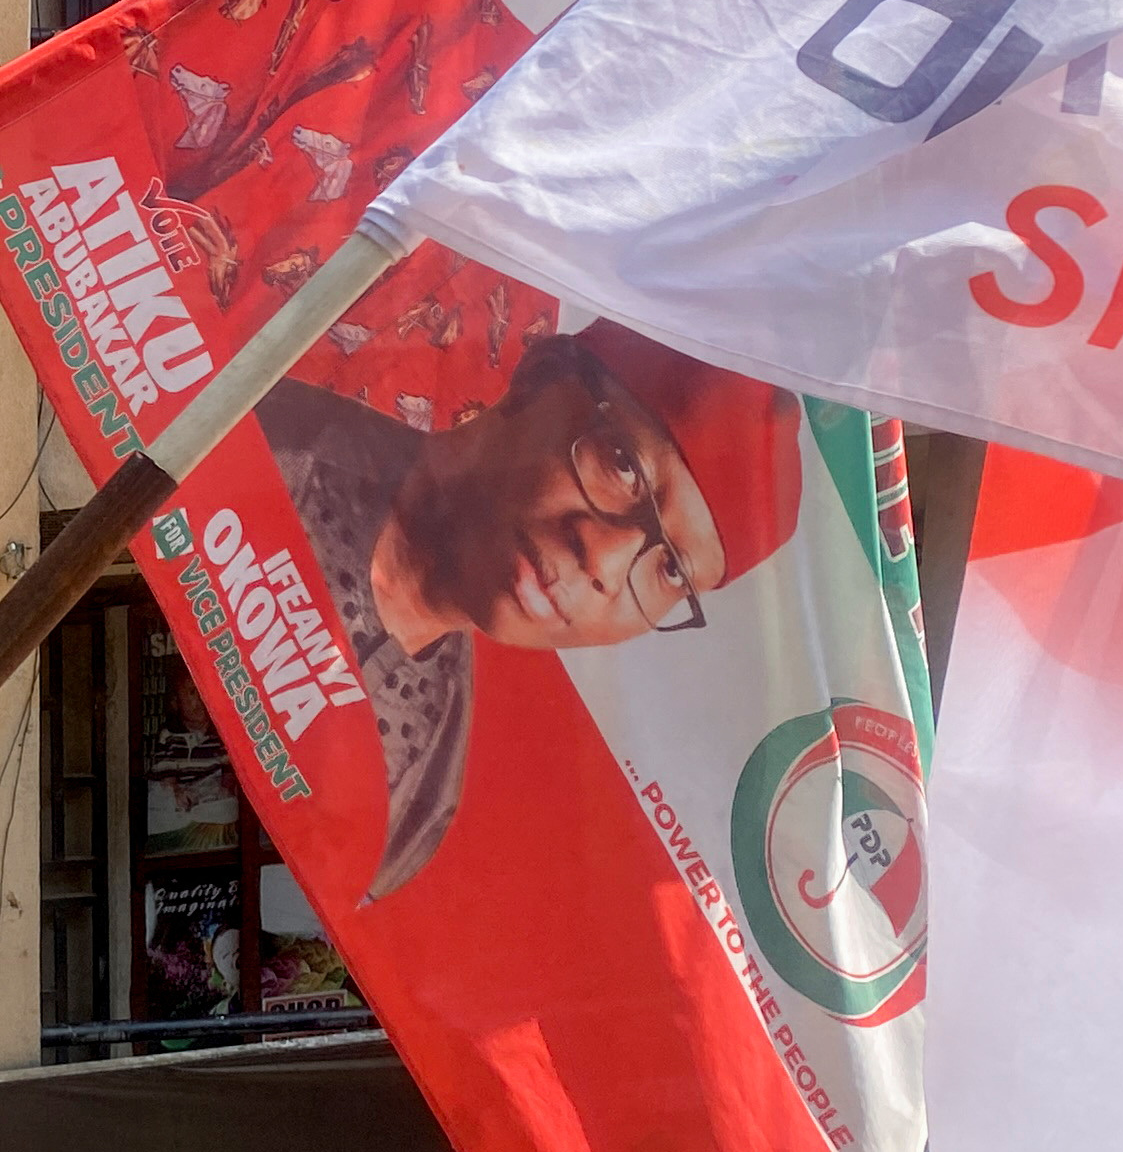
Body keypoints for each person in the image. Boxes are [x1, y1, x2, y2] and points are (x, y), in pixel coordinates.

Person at [258, 323, 799, 898]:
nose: (604, 562)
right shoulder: (264, 432)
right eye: (624, 466)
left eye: (671, 571)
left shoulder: (425, 789)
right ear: (539, 377)